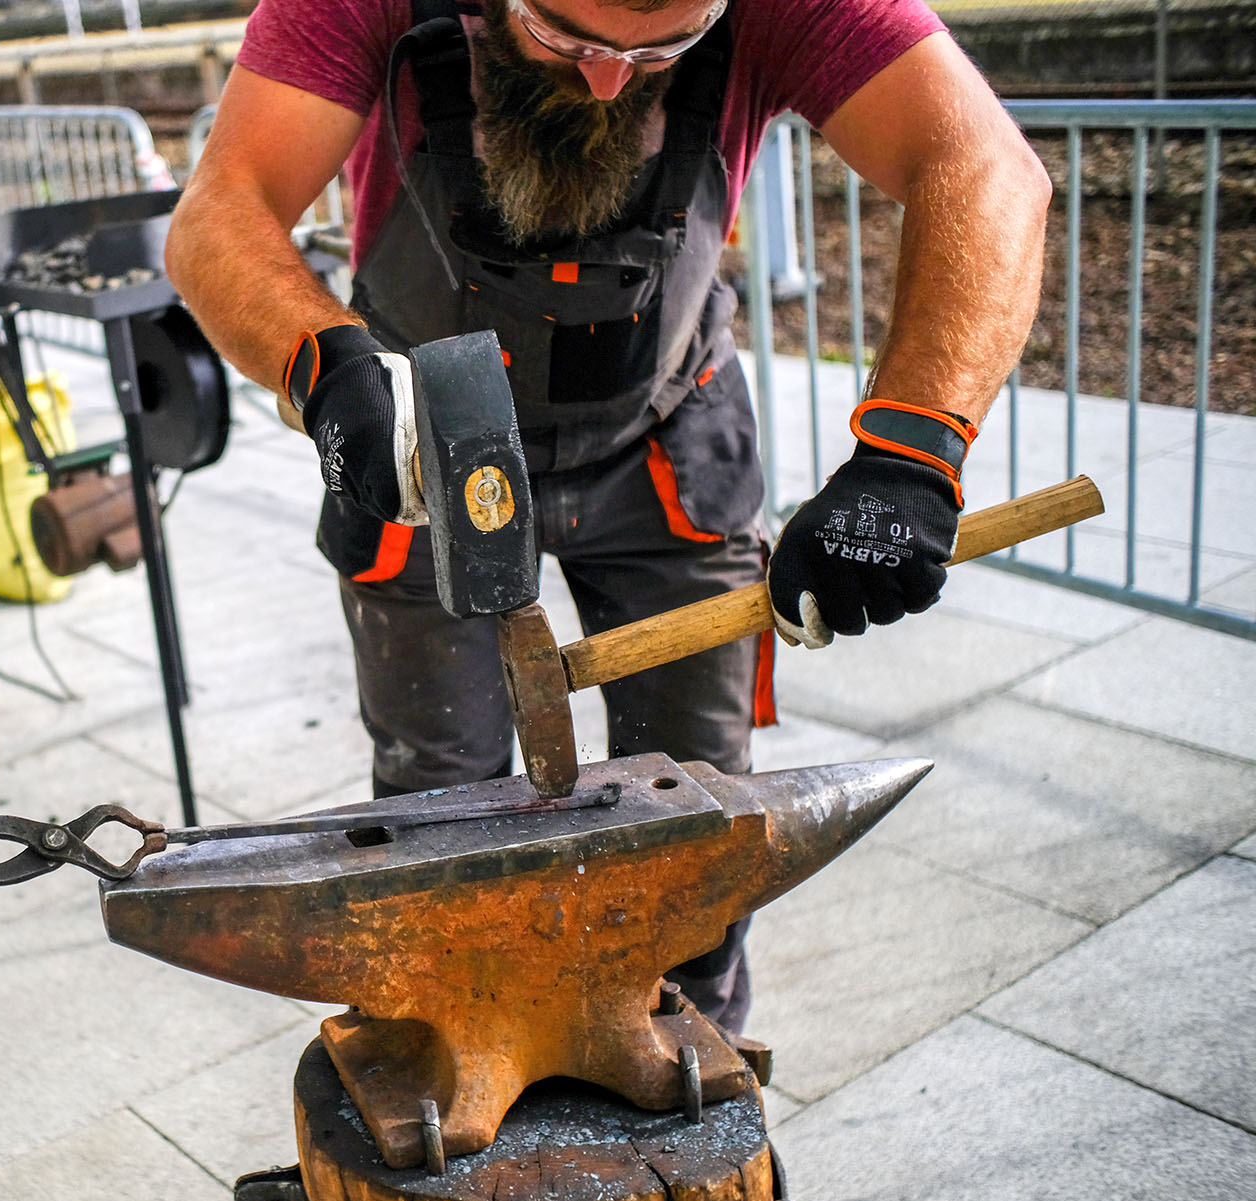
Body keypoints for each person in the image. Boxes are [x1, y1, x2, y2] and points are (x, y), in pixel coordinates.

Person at [164, 0, 1050, 1033]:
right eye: (563, 36)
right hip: (418, 444)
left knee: (695, 819)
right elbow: (220, 207)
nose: (607, 78)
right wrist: (320, 359)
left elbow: (984, 167)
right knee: (434, 813)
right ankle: (449, 1050)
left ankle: (688, 1058)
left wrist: (910, 449)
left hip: (665, 440)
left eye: (662, 47)